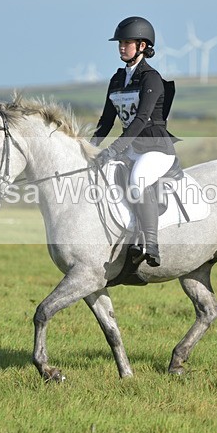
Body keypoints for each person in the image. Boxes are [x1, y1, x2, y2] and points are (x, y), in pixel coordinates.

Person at [91, 16, 178, 267]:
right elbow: (106, 121)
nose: (121, 46)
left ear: (142, 46)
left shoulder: (151, 78)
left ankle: (151, 244)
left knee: (138, 181)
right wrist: (89, 148)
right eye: (120, 42)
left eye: (127, 42)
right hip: (130, 148)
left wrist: (114, 149)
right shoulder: (117, 79)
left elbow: (141, 120)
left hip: (155, 148)